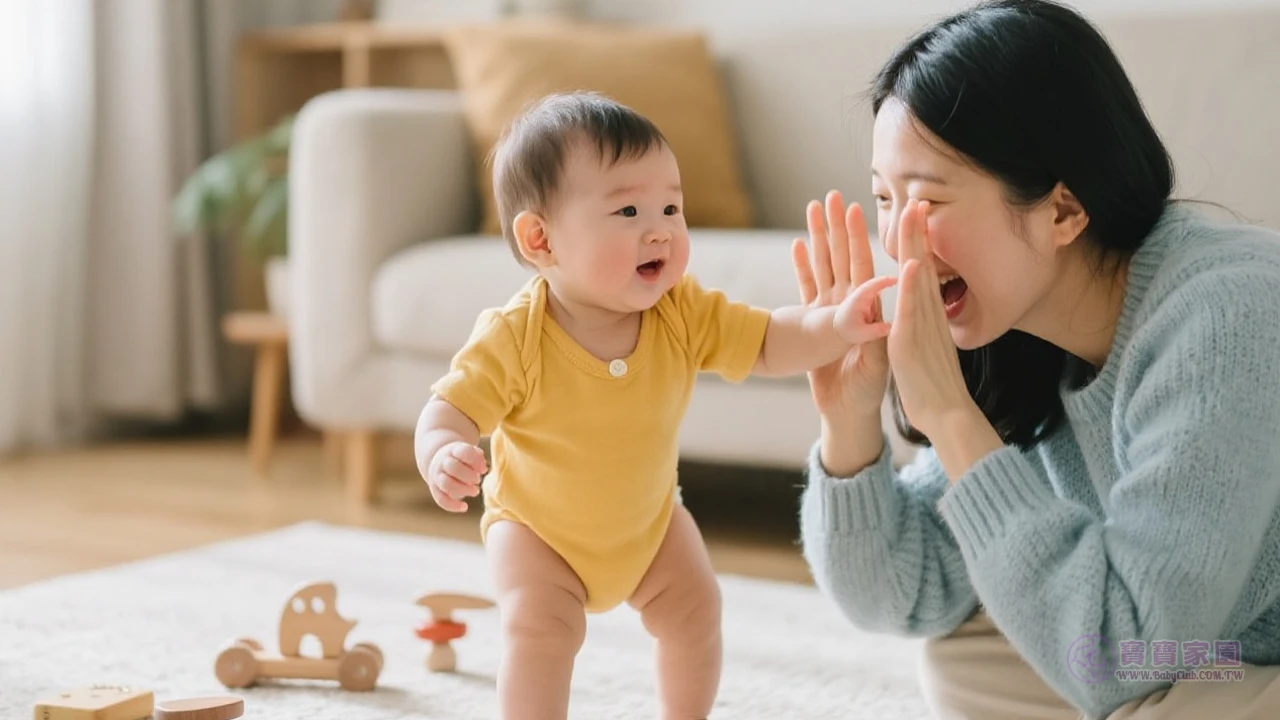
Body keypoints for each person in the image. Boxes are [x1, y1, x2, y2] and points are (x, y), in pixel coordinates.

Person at [793, 1, 1280, 718]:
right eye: (884, 199)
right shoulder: (1024, 337)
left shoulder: (1226, 314)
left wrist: (953, 418)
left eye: (925, 200)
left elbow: (1122, 649)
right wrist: (848, 425)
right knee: (964, 650)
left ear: (1061, 211)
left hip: (1238, 656)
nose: (899, 243)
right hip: (1205, 655)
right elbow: (908, 590)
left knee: (1117, 670)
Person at [413, 92, 896, 720]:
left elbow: (769, 342)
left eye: (672, 206)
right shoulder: (516, 336)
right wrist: (442, 451)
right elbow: (448, 410)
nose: (661, 228)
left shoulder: (680, 311)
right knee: (541, 633)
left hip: (650, 525)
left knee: (696, 612)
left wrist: (836, 324)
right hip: (537, 535)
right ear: (540, 238)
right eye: (629, 210)